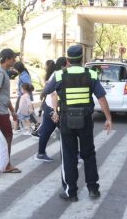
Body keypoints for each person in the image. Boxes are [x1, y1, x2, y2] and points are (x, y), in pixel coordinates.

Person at [43, 44, 112, 202]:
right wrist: (108, 118)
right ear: (82, 59)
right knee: (88, 154)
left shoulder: (59, 75)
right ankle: (93, 189)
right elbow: (101, 98)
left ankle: (71, 192)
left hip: (66, 120)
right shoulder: (91, 74)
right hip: (86, 120)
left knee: (68, 156)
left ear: (67, 60)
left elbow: (46, 91)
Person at [36, 57, 68, 162]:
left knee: (46, 130)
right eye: (68, 64)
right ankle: (74, 154)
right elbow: (54, 94)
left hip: (50, 106)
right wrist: (55, 111)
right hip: (54, 108)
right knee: (67, 131)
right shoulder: (59, 75)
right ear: (64, 65)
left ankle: (41, 153)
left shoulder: (56, 74)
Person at [13, 61, 33, 131]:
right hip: (22, 96)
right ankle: (17, 127)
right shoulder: (22, 74)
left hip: (23, 96)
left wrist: (25, 93)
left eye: (14, 68)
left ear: (18, 68)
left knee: (17, 112)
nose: (14, 69)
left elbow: (29, 85)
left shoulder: (23, 75)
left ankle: (16, 128)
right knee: (23, 112)